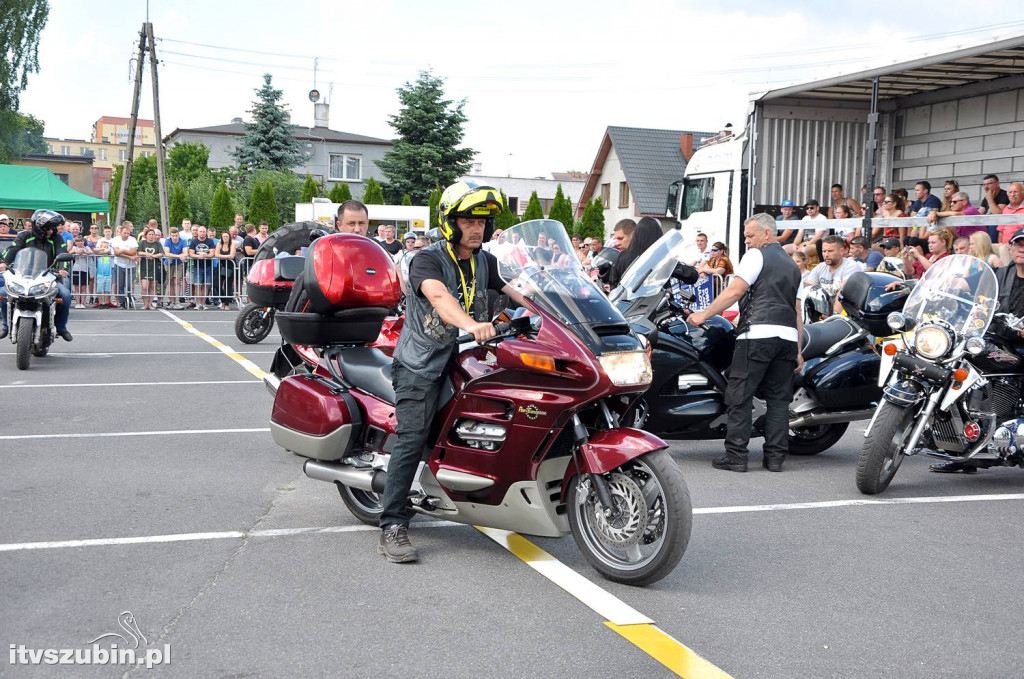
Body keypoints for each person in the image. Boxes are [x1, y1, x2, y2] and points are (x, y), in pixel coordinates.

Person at [378, 181, 527, 562]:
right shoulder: (425, 259)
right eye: (468, 220)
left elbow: (518, 291)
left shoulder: (485, 260)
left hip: (468, 360)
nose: (477, 228)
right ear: (451, 222)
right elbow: (439, 296)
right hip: (421, 363)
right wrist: (469, 324)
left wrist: (563, 312)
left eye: (483, 221)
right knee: (412, 437)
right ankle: (393, 523)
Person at [688, 213, 802, 473]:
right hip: (785, 339)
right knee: (778, 401)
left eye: (750, 235)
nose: (747, 241)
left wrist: (703, 315)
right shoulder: (793, 266)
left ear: (766, 234)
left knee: (740, 396)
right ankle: (775, 459)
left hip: (757, 335)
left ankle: (736, 456)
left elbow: (734, 291)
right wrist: (798, 348)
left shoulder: (756, 256)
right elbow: (797, 311)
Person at [0, 209, 74, 341]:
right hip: (23, 277)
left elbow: (61, 251)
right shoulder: (24, 236)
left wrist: (63, 269)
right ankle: (6, 326)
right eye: (48, 228)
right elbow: (13, 249)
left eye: (53, 228)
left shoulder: (56, 238)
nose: (51, 231)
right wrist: (4, 263)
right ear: (39, 227)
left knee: (66, 296)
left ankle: (61, 327)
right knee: (4, 294)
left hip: (49, 277)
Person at [805, 235, 862, 306]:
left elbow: (843, 293)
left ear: (841, 251)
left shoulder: (851, 266)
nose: (826, 255)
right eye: (824, 251)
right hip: (824, 309)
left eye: (830, 251)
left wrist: (834, 315)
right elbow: (807, 288)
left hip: (846, 312)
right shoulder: (820, 267)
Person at [608, 217, 663, 289]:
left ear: (634, 234)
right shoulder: (664, 258)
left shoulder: (622, 258)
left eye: (620, 238)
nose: (617, 243)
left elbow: (613, 285)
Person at [110, 222, 138, 309]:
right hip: (119, 264)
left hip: (131, 265)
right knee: (119, 284)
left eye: (128, 233)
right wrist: (129, 256)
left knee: (129, 284)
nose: (126, 235)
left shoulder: (132, 240)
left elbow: (134, 251)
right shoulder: (115, 239)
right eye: (124, 233)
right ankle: (121, 302)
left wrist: (122, 250)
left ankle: (129, 298)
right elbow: (116, 253)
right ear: (120, 233)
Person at [188, 226, 216, 309]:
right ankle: (198, 303)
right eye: (200, 231)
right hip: (197, 266)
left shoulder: (210, 241)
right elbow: (191, 254)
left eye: (204, 231)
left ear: (206, 232)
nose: (202, 233)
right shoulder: (194, 242)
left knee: (206, 285)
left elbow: (212, 253)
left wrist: (205, 255)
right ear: (198, 232)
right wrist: (198, 256)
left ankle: (203, 304)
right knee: (197, 285)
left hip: (208, 266)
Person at [138, 227, 165, 310]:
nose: (151, 236)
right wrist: (146, 254)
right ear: (146, 235)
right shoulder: (142, 243)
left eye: (153, 234)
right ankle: (145, 304)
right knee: (144, 287)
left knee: (153, 287)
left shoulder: (157, 244)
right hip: (144, 267)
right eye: (149, 234)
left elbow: (161, 253)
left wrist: (153, 256)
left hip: (154, 267)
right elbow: (138, 252)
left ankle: (150, 304)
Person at [164, 227, 188, 309]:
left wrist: (180, 256)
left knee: (177, 281)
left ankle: (177, 301)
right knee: (170, 282)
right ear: (170, 235)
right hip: (169, 263)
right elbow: (167, 253)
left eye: (176, 235)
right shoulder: (167, 241)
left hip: (179, 263)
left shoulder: (183, 241)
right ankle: (171, 300)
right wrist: (178, 256)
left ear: (178, 235)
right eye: (173, 236)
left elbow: (185, 252)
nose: (174, 237)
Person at [68, 234, 93, 308]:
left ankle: (82, 303)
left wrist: (84, 252)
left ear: (83, 242)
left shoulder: (87, 247)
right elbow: (69, 253)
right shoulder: (74, 247)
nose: (80, 243)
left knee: (84, 287)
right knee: (77, 287)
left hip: (85, 269)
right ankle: (77, 303)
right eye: (78, 241)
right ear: (75, 242)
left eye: (81, 241)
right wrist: (76, 251)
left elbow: (91, 252)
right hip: (76, 269)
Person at [214, 230, 237, 310]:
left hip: (229, 266)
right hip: (221, 266)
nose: (225, 238)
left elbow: (232, 256)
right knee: (217, 284)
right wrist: (226, 256)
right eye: (224, 236)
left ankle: (227, 304)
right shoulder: (219, 244)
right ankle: (223, 301)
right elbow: (216, 254)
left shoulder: (232, 244)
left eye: (227, 236)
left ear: (229, 237)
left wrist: (222, 256)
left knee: (228, 285)